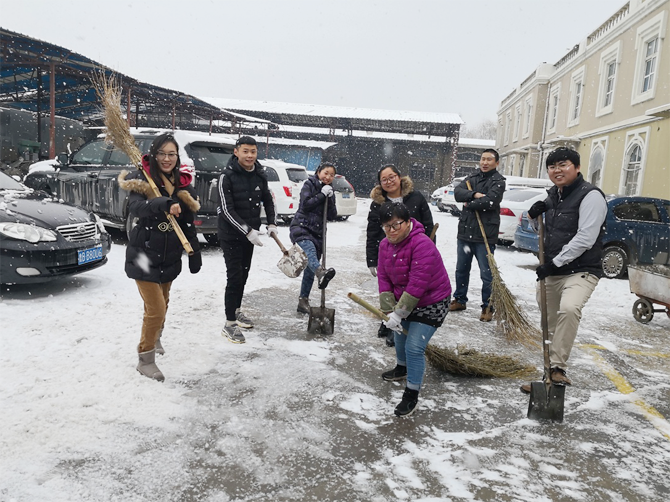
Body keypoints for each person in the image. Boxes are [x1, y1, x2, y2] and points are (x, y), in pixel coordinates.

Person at [521, 147, 607, 393]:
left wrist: (554, 263)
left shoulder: (590, 196)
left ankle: (558, 368)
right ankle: (549, 375)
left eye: (563, 164)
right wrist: (532, 216)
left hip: (581, 270)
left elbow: (586, 238)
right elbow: (543, 233)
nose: (557, 170)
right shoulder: (552, 196)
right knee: (548, 322)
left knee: (569, 309)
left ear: (577, 167)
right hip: (552, 271)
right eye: (552, 166)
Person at [120, 133, 202, 382]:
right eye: (162, 153)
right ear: (154, 155)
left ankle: (155, 337)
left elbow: (188, 224)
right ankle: (145, 358)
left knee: (163, 304)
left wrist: (194, 251)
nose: (167, 159)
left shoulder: (183, 184)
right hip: (143, 253)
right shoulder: (142, 178)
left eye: (172, 154)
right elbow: (135, 208)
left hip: (169, 254)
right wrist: (163, 203)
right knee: (155, 309)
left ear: (177, 157)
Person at [377, 202, 452, 417]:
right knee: (399, 337)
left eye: (396, 225)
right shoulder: (384, 245)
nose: (391, 231)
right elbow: (383, 277)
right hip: (405, 300)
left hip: (432, 301)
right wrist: (389, 310)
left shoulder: (422, 244)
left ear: (408, 222)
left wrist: (399, 313)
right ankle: (402, 368)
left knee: (414, 347)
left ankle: (411, 393)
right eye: (386, 226)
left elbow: (418, 283)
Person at [217, 136, 277, 343]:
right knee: (234, 277)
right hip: (231, 235)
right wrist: (247, 230)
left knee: (243, 275)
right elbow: (226, 209)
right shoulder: (227, 176)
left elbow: (268, 200)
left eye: (253, 151)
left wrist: (271, 223)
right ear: (236, 152)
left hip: (249, 236)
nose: (250, 155)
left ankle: (236, 310)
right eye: (245, 151)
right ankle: (229, 324)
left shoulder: (260, 175)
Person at [366, 164, 434, 345]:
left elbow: (427, 224)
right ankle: (388, 322)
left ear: (399, 177)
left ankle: (402, 323)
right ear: (380, 183)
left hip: (414, 253)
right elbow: (372, 232)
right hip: (388, 254)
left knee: (409, 289)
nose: (389, 182)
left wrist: (427, 252)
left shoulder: (416, 197)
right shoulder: (377, 203)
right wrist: (372, 259)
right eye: (384, 179)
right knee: (389, 290)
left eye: (392, 177)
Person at [450, 148, 505, 322]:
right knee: (461, 270)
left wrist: (470, 202)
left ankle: (487, 306)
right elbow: (457, 193)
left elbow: (490, 202)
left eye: (489, 159)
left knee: (487, 273)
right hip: (466, 232)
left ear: (496, 163)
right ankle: (460, 299)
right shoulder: (471, 178)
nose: (485, 162)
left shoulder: (498, 181)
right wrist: (473, 194)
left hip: (485, 235)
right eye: (483, 159)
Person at [289, 162, 338, 313]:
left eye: (331, 175)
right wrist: (321, 195)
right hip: (302, 228)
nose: (328, 177)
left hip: (318, 233)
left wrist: (329, 199)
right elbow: (305, 204)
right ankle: (320, 272)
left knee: (309, 268)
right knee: (309, 250)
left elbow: (332, 215)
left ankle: (303, 301)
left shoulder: (330, 191)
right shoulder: (308, 184)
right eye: (326, 173)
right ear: (318, 172)